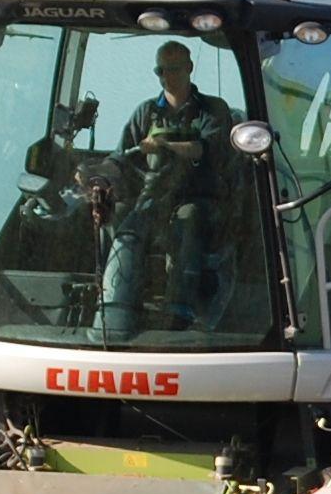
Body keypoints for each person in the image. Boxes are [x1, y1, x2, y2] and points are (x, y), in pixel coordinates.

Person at [94, 40, 239, 339]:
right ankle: (116, 306)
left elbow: (204, 149)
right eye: (161, 70)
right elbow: (120, 157)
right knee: (123, 221)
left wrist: (163, 144)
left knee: (190, 219)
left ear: (189, 68)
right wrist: (97, 175)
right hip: (154, 197)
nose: (166, 76)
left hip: (201, 197)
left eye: (173, 69)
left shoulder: (213, 109)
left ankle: (180, 311)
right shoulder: (145, 112)